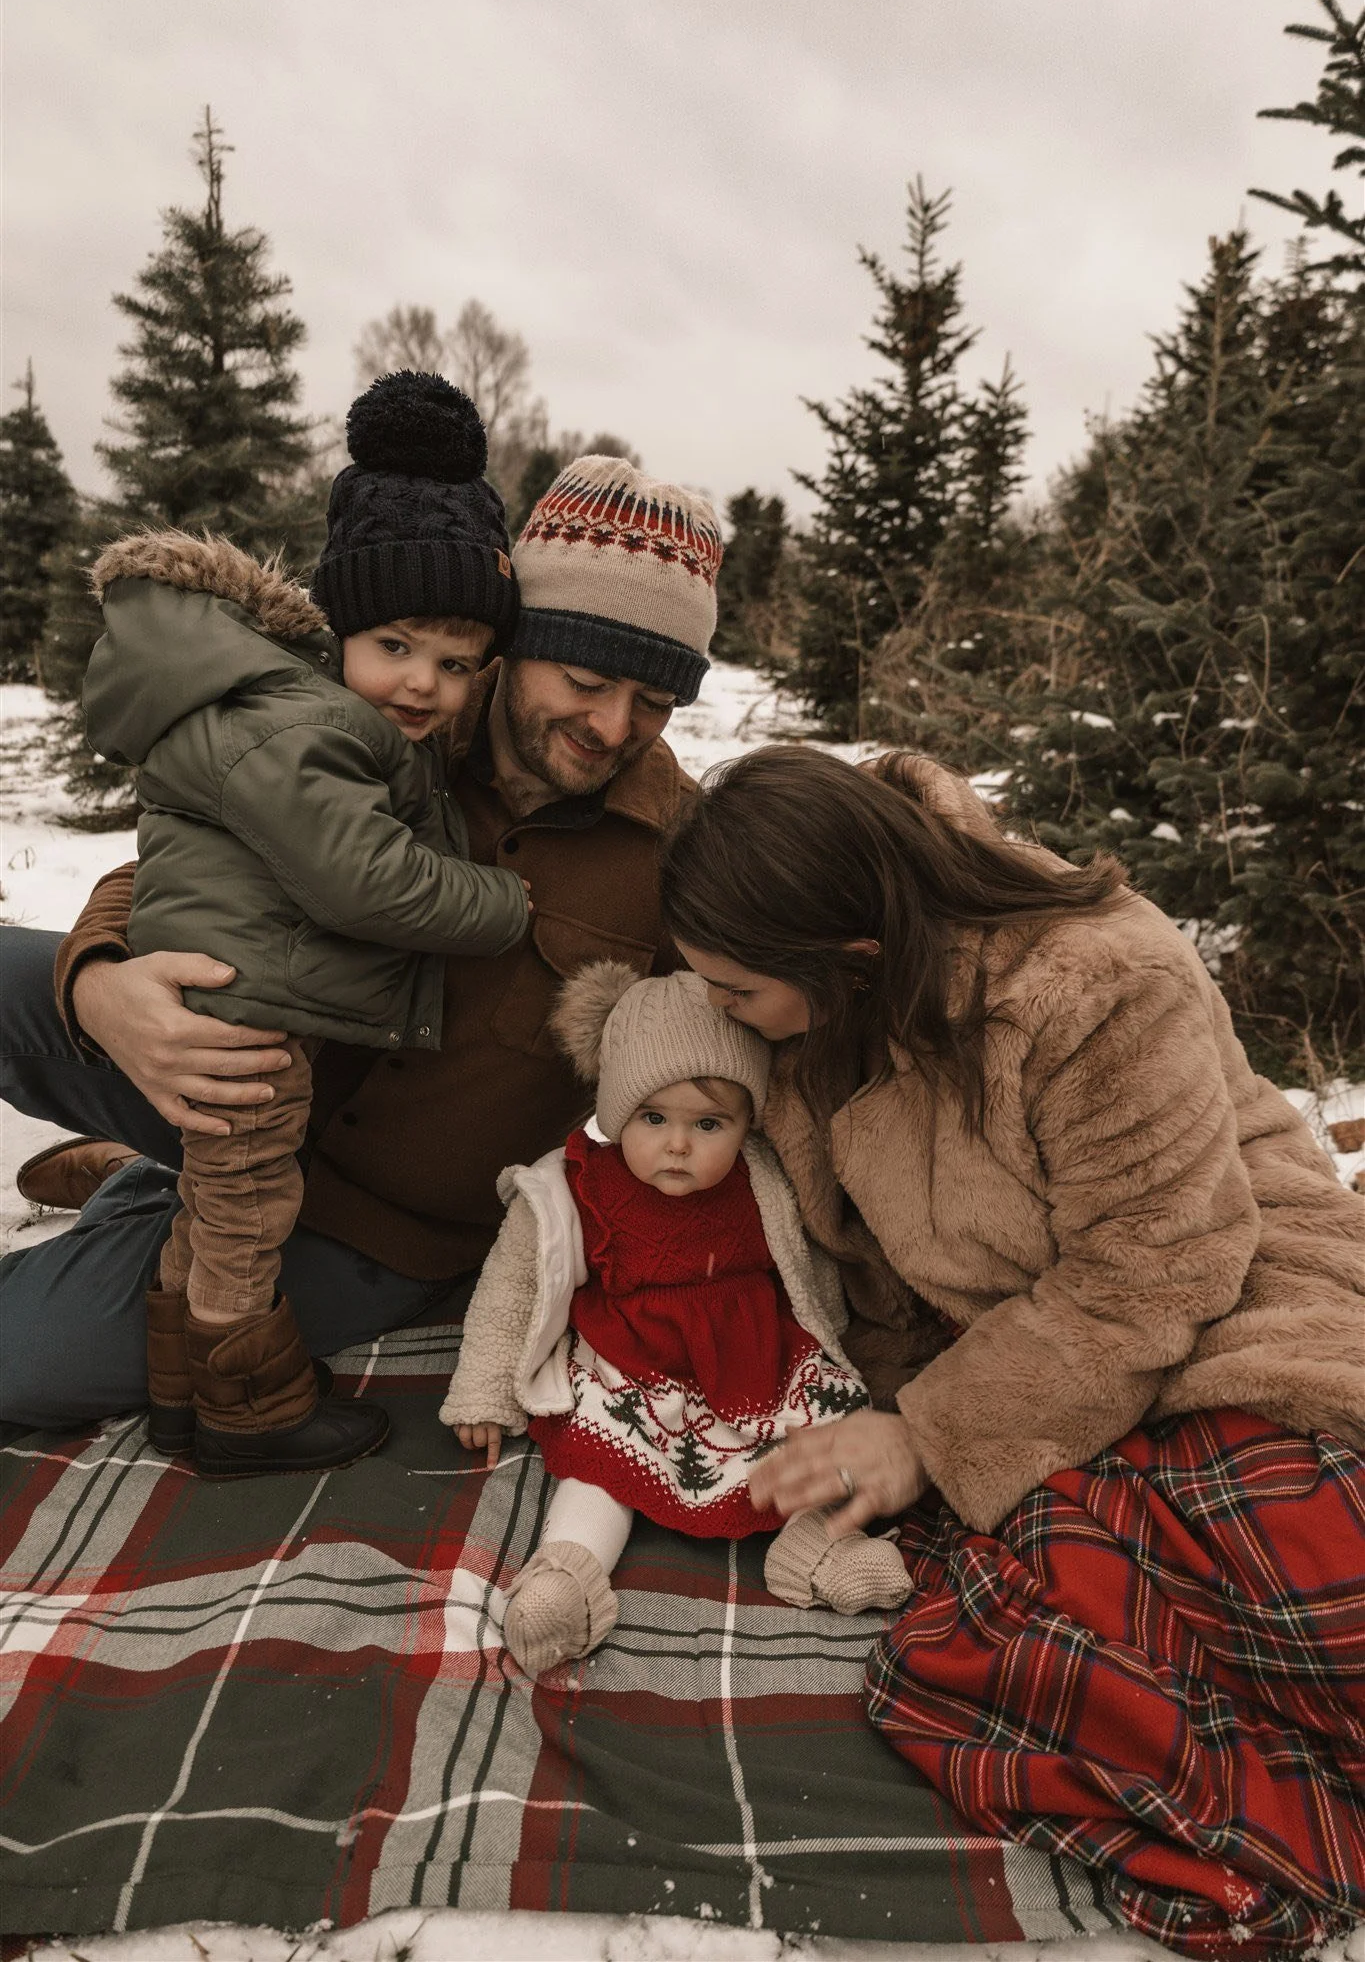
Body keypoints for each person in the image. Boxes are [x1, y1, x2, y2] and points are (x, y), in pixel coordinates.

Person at [659, 744, 1365, 1959]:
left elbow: (1157, 1267)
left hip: (1238, 1318)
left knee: (1298, 1585)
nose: (722, 1013)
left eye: (735, 990)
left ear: (851, 955)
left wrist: (929, 1433)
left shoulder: (1098, 982)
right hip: (1041, 1375)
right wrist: (873, 1417)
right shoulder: (822, 1032)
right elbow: (881, 1277)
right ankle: (1302, 1833)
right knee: (978, 1652)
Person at [0, 456, 721, 1431]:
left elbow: (753, 1051)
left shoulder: (684, 862)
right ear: (516, 644)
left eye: (653, 700)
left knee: (22, 1362)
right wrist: (101, 984)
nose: (611, 725)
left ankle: (146, 1198)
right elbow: (203, 847)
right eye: (587, 679)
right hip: (224, 1062)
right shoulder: (401, 710)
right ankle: (159, 1170)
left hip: (366, 1226)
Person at [74, 372, 535, 1477]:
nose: (424, 684)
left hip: (246, 1000)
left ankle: (183, 1394)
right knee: (246, 1209)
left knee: (213, 1198)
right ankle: (251, 1406)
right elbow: (366, 883)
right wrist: (505, 901)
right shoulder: (310, 726)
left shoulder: (296, 711)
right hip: (251, 1021)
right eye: (396, 647)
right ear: (338, 631)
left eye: (458, 662)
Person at [441, 964, 910, 1676]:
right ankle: (565, 1573)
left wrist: (834, 1348)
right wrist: (482, 1392)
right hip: (633, 1368)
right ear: (613, 1109)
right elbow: (510, 1290)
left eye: (708, 1123)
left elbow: (814, 1268)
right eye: (652, 1118)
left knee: (819, 1438)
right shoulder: (573, 1184)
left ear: (747, 1123)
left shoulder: (766, 1178)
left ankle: (820, 1543)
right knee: (601, 1468)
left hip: (757, 1359)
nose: (678, 1145)